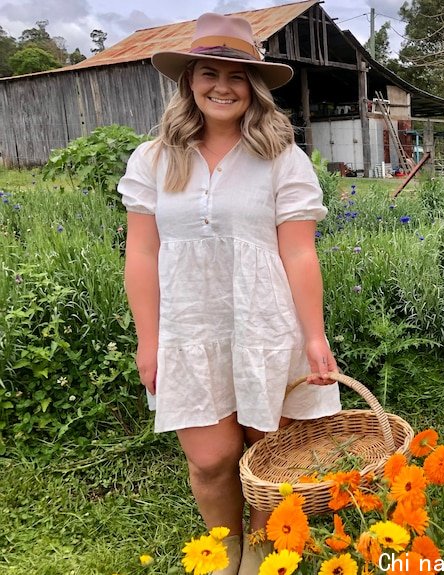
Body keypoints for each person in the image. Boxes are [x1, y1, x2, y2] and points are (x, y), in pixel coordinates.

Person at [119, 12, 341, 575]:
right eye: (208, 72)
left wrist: (314, 338)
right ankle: (225, 548)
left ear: (254, 87)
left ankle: (264, 555)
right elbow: (142, 254)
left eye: (236, 75)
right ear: (189, 80)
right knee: (212, 459)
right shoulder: (152, 160)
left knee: (268, 460)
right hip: (190, 331)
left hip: (265, 327)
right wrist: (150, 341)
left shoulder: (283, 160)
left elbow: (298, 252)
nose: (222, 85)